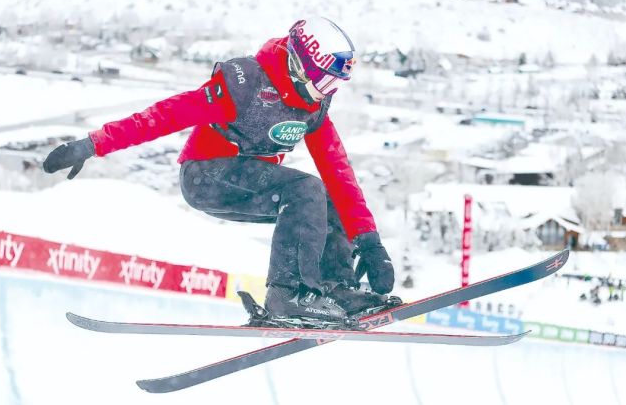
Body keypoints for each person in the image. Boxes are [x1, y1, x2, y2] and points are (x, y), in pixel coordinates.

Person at [43, 17, 395, 323]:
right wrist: (94, 143)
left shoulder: (312, 108)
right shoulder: (245, 85)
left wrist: (368, 240)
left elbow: (339, 172)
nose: (326, 93)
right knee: (305, 190)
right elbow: (167, 114)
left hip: (251, 179)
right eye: (325, 82)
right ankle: (288, 294)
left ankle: (336, 290)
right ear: (302, 65)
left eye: (334, 86)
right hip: (206, 176)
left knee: (325, 198)